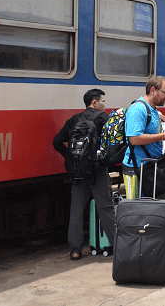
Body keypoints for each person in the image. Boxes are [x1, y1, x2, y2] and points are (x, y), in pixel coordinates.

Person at [52, 88, 118, 261]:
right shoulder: (103, 118)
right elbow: (114, 141)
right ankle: (119, 247)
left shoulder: (74, 119)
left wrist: (71, 157)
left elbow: (57, 141)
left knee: (76, 210)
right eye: (103, 101)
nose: (105, 105)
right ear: (95, 103)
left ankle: (75, 250)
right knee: (106, 209)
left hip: (77, 173)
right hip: (97, 171)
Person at [122, 76, 165, 199]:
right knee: (136, 211)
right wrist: (164, 136)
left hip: (150, 168)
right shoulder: (138, 109)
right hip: (136, 169)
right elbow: (134, 139)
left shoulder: (153, 109)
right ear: (153, 90)